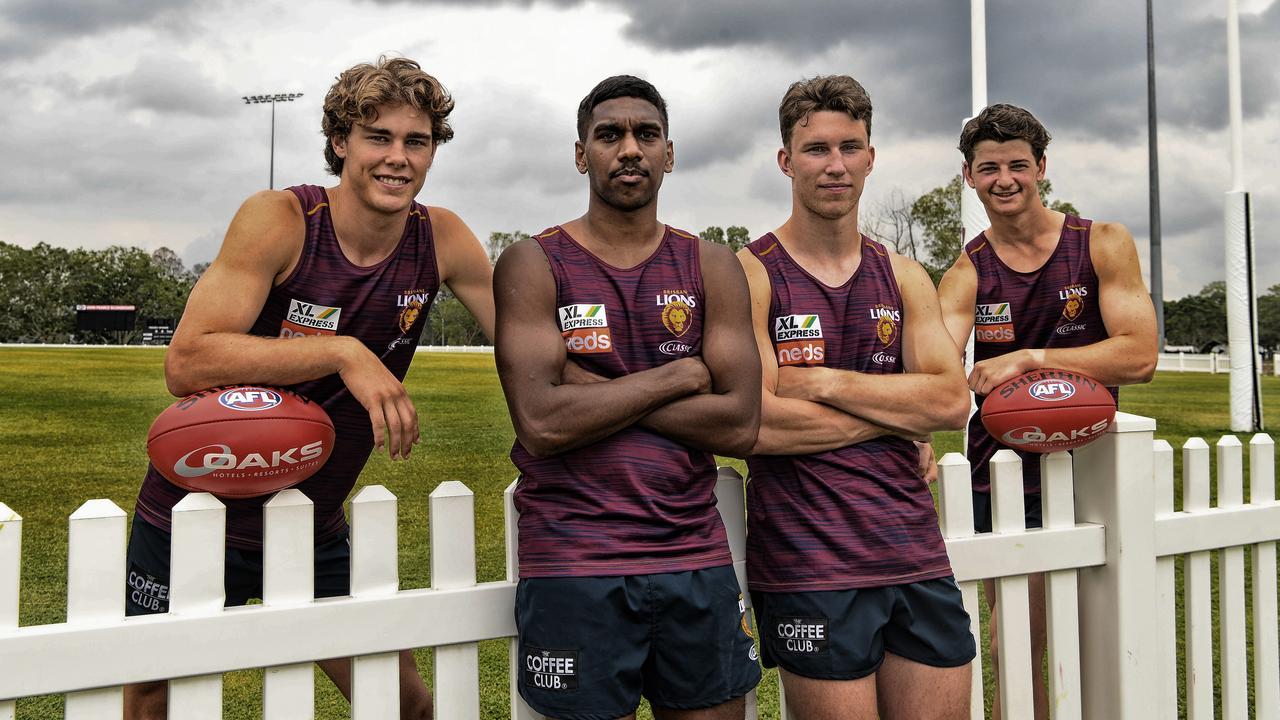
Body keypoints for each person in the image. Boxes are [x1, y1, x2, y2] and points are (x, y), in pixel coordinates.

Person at [123, 56, 495, 720]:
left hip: (310, 523)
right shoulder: (282, 220)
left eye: (417, 141)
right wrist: (345, 352)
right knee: (152, 699)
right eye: (378, 137)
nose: (398, 158)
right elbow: (187, 362)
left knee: (405, 703)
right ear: (340, 142)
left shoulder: (441, 238)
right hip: (196, 515)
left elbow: (526, 340)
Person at [494, 75, 762, 720]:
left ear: (670, 152)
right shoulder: (534, 263)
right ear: (581, 154)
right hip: (575, 560)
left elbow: (739, 424)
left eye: (646, 134)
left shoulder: (710, 265)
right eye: (609, 135)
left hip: (693, 555)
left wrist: (598, 389)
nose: (630, 149)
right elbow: (543, 423)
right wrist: (676, 376)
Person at [738, 75, 974, 720]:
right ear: (786, 160)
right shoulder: (752, 271)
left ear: (871, 157)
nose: (834, 165)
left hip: (913, 551)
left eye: (850, 147)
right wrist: (897, 416)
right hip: (809, 562)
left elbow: (952, 404)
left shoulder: (901, 273)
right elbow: (756, 423)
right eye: (816, 149)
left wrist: (827, 383)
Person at [937, 103, 1158, 720]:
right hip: (999, 470)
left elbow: (1140, 355)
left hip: (1088, 466)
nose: (1004, 179)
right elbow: (936, 368)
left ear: (1041, 166)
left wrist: (1028, 359)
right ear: (968, 176)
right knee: (1017, 636)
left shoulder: (1101, 242)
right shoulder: (967, 270)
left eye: (1016, 165)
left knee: (1073, 632)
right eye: (988, 168)